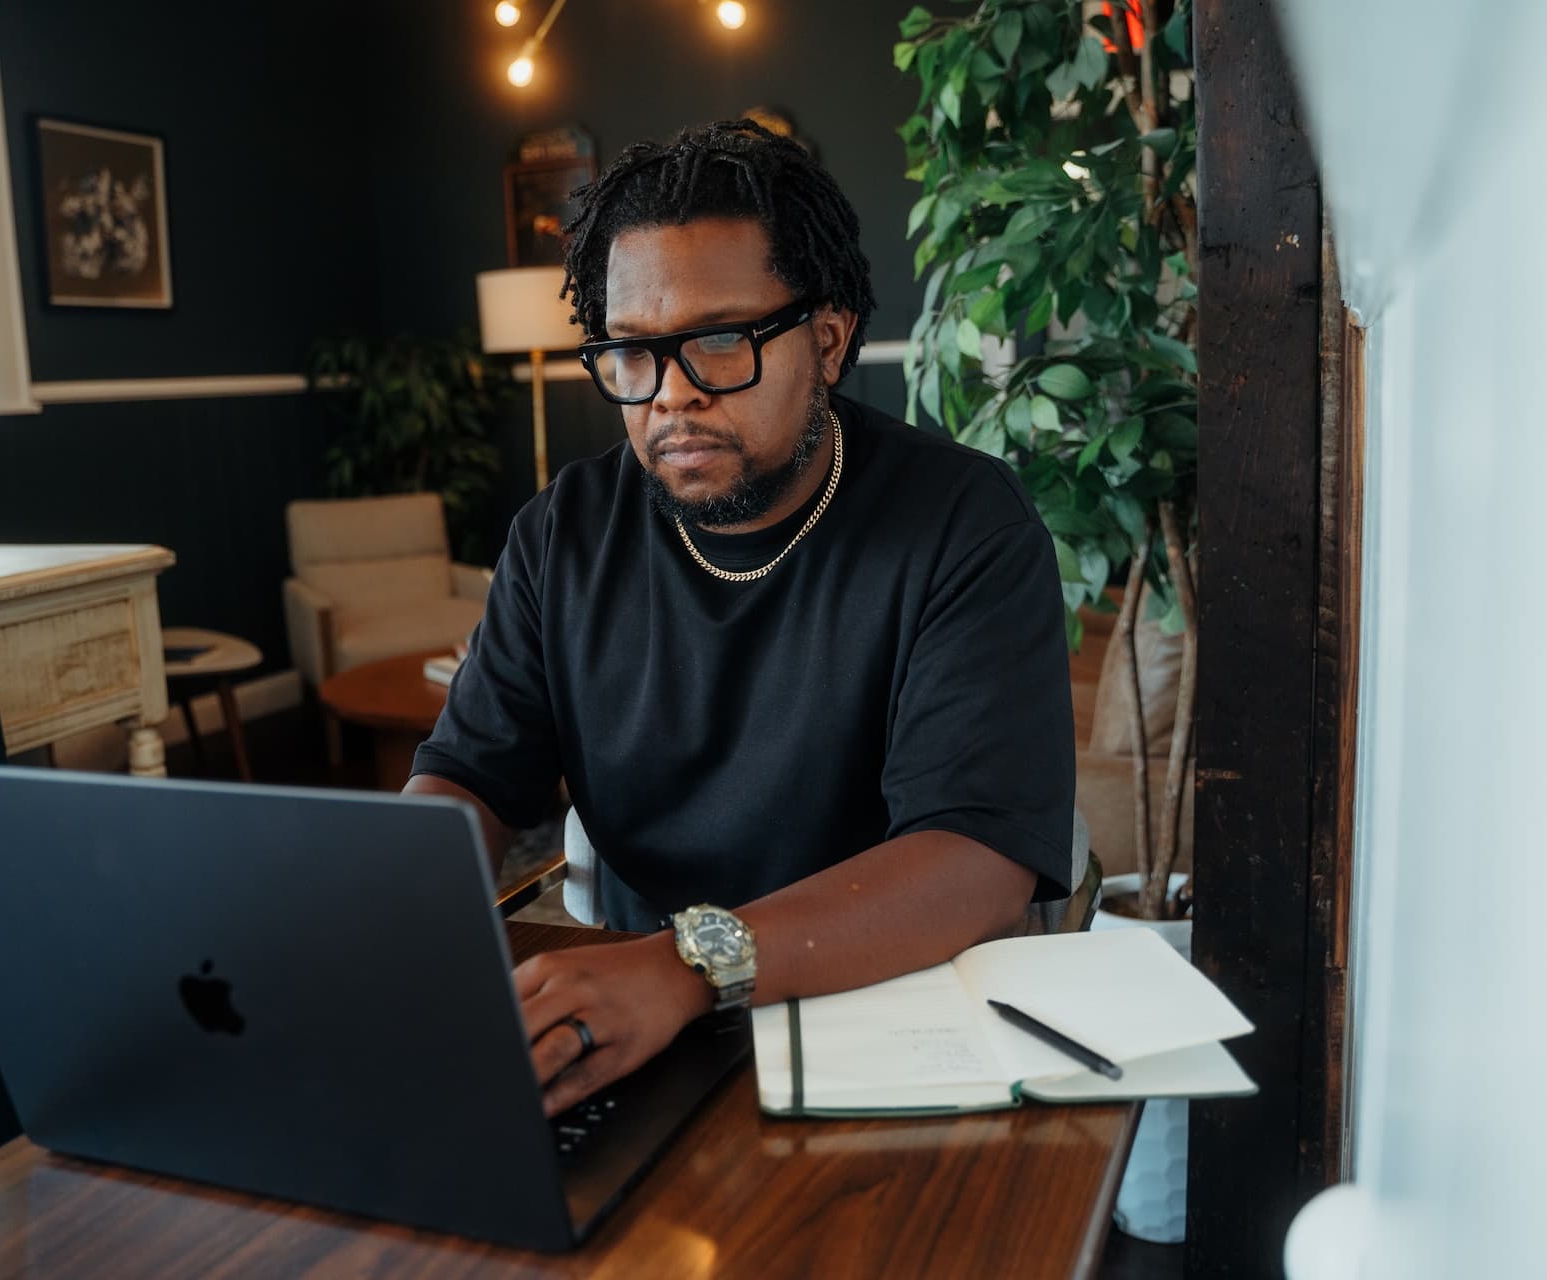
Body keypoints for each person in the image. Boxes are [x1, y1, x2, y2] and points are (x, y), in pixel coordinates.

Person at [407, 120, 1075, 1116]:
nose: (670, 395)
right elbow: (468, 773)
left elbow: (975, 859)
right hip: (645, 1023)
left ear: (828, 341)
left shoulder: (963, 524)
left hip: (888, 1019)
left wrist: (686, 964)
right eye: (632, 352)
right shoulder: (562, 534)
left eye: (720, 341)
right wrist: (377, 906)